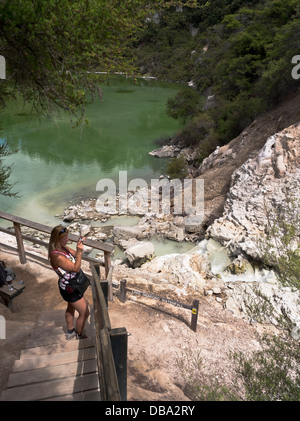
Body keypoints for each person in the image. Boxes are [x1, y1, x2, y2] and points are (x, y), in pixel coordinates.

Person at [48, 225, 90, 340]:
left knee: (71, 308)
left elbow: (75, 255)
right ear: (57, 239)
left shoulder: (63, 248)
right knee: (85, 312)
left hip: (67, 286)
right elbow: (75, 268)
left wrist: (79, 246)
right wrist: (80, 253)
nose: (68, 239)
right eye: (65, 237)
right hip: (71, 288)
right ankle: (79, 334)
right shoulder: (57, 256)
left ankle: (70, 331)